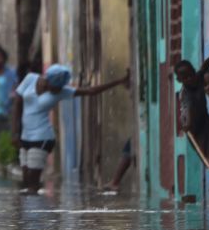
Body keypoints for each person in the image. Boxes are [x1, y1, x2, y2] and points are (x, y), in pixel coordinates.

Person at [11, 65, 130, 194]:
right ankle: (31, 210)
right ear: (48, 80)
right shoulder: (30, 78)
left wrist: (119, 81)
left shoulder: (62, 91)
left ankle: (35, 212)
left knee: (32, 183)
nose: (58, 90)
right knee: (26, 179)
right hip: (24, 137)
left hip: (42, 138)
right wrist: (15, 132)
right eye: (55, 88)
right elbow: (17, 103)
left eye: (60, 88)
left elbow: (91, 91)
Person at [175, 55, 209, 160]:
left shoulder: (197, 78)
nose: (190, 79)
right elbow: (188, 114)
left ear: (193, 70)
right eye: (185, 78)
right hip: (197, 133)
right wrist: (187, 124)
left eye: (191, 74)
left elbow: (204, 67)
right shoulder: (186, 95)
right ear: (179, 80)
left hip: (205, 120)